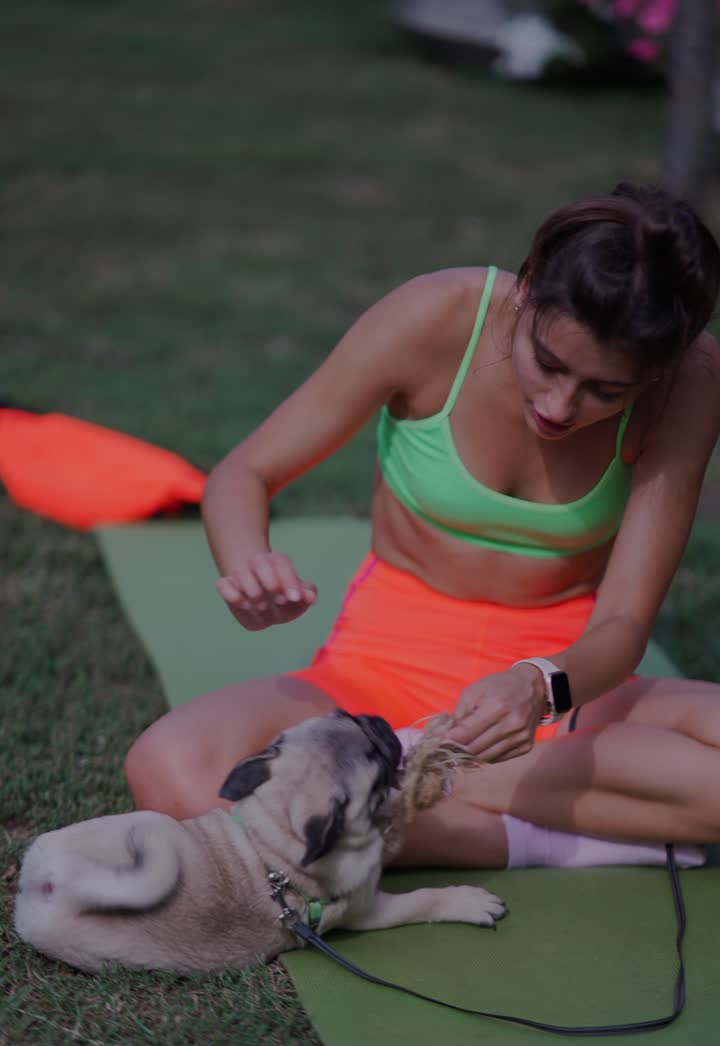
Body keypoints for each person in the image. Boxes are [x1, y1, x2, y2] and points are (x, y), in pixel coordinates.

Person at [125, 181, 720, 870]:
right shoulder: (437, 317)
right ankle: (531, 834)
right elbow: (243, 473)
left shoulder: (694, 379)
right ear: (527, 289)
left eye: (606, 391)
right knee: (169, 769)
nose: (561, 405)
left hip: (559, 697)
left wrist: (538, 685)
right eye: (549, 364)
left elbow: (622, 625)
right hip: (375, 680)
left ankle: (389, 797)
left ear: (657, 372)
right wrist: (247, 563)